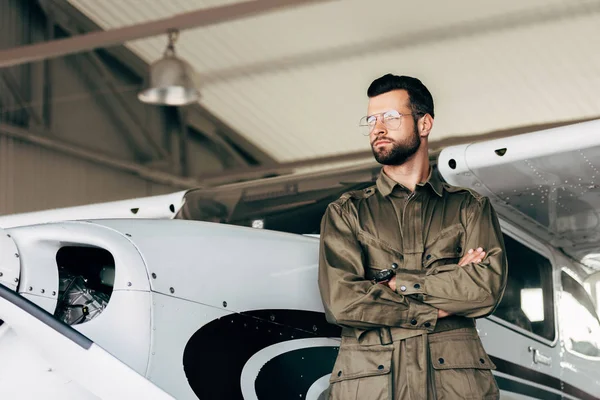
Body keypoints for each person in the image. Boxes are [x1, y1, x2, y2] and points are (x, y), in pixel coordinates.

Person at [318, 74, 508, 399]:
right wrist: (436, 303)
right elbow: (343, 302)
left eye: (390, 117)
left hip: (456, 387)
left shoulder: (470, 208)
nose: (377, 128)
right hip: (371, 386)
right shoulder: (346, 213)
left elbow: (483, 290)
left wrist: (396, 284)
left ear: (424, 124)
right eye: (371, 119)